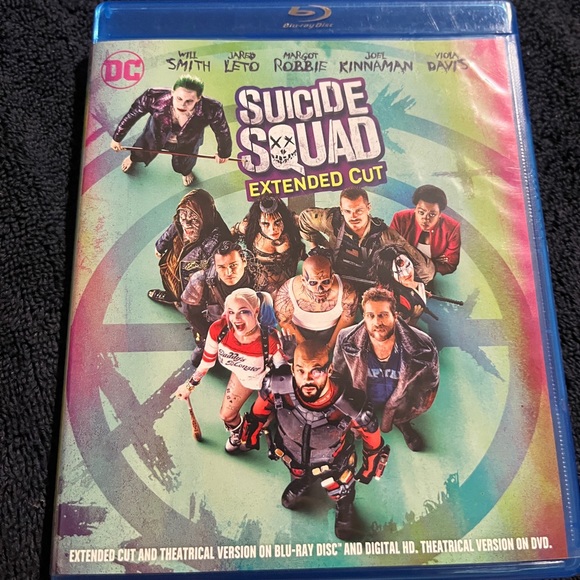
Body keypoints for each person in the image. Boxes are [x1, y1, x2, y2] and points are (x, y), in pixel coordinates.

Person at [240, 340, 389, 541]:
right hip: (292, 456)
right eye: (301, 371)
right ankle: (303, 482)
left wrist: (370, 468)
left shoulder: (352, 405)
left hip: (334, 462)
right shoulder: (276, 385)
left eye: (316, 371)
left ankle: (345, 506)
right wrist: (249, 435)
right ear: (292, 369)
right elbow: (257, 414)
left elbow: (373, 443)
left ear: (329, 370)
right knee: (297, 474)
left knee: (342, 489)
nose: (307, 379)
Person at [172, 288, 286, 453]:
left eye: (244, 311)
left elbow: (283, 375)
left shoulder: (270, 339)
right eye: (231, 312)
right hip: (244, 378)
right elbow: (206, 363)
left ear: (256, 311)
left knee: (261, 423)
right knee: (226, 416)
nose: (236, 318)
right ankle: (238, 434)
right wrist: (189, 386)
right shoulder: (218, 330)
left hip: (269, 383)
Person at [333, 287, 439, 452]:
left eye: (383, 315)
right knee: (354, 421)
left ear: (395, 316)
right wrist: (347, 405)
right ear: (364, 317)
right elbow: (338, 374)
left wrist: (416, 405)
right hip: (363, 397)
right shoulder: (346, 338)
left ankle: (401, 421)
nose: (377, 322)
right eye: (370, 316)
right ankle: (355, 427)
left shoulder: (423, 345)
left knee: (401, 412)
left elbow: (429, 382)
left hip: (401, 397)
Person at [299, 187, 435, 289]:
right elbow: (305, 218)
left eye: (359, 210)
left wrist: (410, 282)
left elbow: (426, 272)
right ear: (341, 210)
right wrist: (316, 246)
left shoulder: (385, 235)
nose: (353, 217)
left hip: (372, 283)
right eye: (348, 211)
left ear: (368, 208)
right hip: (336, 279)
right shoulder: (331, 221)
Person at [110, 74, 232, 186]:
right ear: (172, 92)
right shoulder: (153, 96)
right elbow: (133, 114)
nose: (182, 105)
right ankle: (132, 159)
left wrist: (224, 153)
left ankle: (185, 172)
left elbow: (222, 131)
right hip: (155, 135)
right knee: (139, 152)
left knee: (183, 165)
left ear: (198, 99)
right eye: (179, 98)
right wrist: (117, 137)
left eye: (189, 101)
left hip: (187, 142)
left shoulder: (213, 109)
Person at [180, 240, 277, 365]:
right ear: (215, 266)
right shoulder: (201, 280)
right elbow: (189, 312)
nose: (228, 273)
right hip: (217, 328)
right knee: (198, 361)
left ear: (244, 262)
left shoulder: (260, 280)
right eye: (222, 267)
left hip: (250, 329)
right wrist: (211, 337)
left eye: (233, 265)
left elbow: (270, 318)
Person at [147, 189, 231, 310]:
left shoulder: (218, 240)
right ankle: (172, 297)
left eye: (194, 220)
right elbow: (174, 227)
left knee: (192, 299)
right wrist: (160, 245)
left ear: (205, 219)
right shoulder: (182, 220)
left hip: (195, 277)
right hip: (173, 265)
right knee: (172, 285)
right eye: (183, 217)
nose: (186, 224)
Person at [274, 254, 358, 351]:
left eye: (325, 282)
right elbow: (285, 322)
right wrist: (305, 347)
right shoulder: (288, 292)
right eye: (313, 283)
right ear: (304, 281)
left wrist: (330, 347)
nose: (320, 289)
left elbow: (347, 319)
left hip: (332, 331)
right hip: (299, 331)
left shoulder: (346, 291)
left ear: (332, 278)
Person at [231, 195, 305, 296]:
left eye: (277, 222)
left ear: (284, 219)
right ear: (258, 222)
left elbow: (311, 224)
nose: (272, 229)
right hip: (261, 286)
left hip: (289, 282)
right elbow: (231, 233)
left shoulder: (293, 223)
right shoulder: (247, 227)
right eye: (265, 224)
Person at [390, 184, 461, 275]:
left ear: (440, 214)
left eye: (432, 214)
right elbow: (390, 251)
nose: (425, 218)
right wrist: (433, 262)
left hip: (431, 277)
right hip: (399, 272)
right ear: (415, 209)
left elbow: (450, 264)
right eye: (421, 212)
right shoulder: (400, 218)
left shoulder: (452, 227)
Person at [370, 246, 428, 326]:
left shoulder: (416, 278)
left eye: (407, 265)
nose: (406, 273)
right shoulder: (392, 299)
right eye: (398, 272)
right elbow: (395, 328)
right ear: (389, 274)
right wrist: (413, 319)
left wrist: (421, 291)